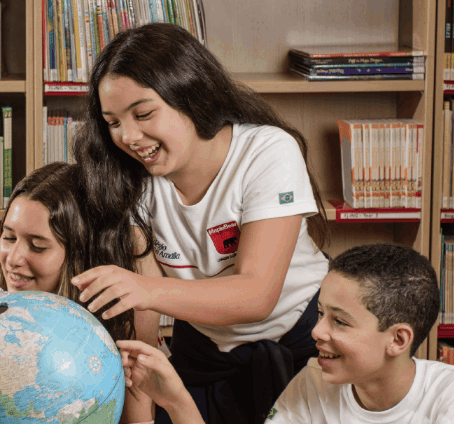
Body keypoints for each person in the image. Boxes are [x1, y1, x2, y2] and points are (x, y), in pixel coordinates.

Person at [71, 22, 330, 424]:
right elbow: (142, 326)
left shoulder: (268, 150)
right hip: (204, 350)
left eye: (143, 114)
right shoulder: (130, 179)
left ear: (190, 94)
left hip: (304, 344)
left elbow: (257, 295)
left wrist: (144, 289)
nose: (129, 137)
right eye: (113, 122)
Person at [0, 162, 162, 423]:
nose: (13, 259)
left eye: (37, 246)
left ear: (78, 253)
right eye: (9, 238)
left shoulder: (115, 308)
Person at [266, 243, 454, 423]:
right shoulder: (312, 381)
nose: (316, 331)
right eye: (320, 312)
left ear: (398, 340)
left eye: (339, 321)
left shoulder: (447, 395)